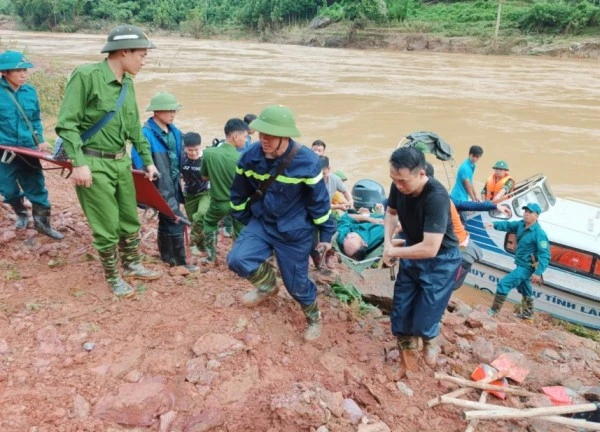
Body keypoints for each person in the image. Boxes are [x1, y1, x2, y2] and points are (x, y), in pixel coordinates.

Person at [55, 24, 161, 297]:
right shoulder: (86, 76)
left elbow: (134, 126)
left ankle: (133, 263)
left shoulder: (128, 83)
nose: (144, 61)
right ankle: (113, 276)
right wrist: (78, 163)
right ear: (124, 51)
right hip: (93, 162)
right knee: (106, 224)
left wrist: (147, 161)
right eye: (141, 54)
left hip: (120, 161)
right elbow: (67, 124)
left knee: (128, 217)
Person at [227, 104, 335, 342]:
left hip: (295, 231)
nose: (263, 139)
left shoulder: (307, 162)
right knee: (237, 259)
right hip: (263, 222)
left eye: (270, 135)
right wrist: (249, 220)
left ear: (285, 136)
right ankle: (267, 286)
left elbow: (319, 203)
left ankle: (314, 317)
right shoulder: (250, 156)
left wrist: (326, 238)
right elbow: (237, 194)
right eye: (261, 133)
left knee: (296, 285)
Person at [382, 147, 461, 374]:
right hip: (412, 251)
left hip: (441, 260)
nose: (398, 186)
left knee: (425, 316)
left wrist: (394, 253)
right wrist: (388, 243)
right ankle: (407, 358)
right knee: (401, 311)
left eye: (403, 181)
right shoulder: (399, 184)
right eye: (394, 180)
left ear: (422, 174)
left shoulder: (436, 197)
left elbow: (430, 248)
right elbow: (391, 213)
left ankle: (429, 338)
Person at [0, 50, 63, 240]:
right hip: (4, 150)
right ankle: (20, 212)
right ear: (4, 72)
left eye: (25, 71)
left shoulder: (30, 92)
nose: (23, 75)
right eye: (18, 71)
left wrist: (40, 140)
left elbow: (35, 120)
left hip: (28, 149)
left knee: (36, 185)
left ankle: (43, 225)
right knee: (7, 187)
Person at [131, 92, 197, 272]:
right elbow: (138, 158)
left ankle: (168, 258)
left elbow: (184, 154)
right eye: (169, 110)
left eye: (174, 110)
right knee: (176, 218)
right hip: (159, 184)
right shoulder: (146, 133)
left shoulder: (174, 131)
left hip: (174, 182)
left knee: (166, 219)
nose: (173, 114)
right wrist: (147, 184)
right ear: (156, 112)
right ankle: (181, 263)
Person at [486, 203, 550, 321]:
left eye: (530, 212)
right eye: (525, 211)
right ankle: (528, 313)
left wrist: (538, 272)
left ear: (537, 216)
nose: (526, 214)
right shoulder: (521, 224)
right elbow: (508, 225)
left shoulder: (539, 233)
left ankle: (494, 311)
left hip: (527, 267)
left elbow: (545, 256)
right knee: (525, 289)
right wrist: (494, 224)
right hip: (520, 263)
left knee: (504, 284)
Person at [200, 118, 248, 264]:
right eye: (245, 137)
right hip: (238, 203)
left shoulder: (208, 153)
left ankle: (210, 257)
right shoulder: (242, 158)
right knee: (240, 231)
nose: (246, 140)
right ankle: (238, 261)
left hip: (219, 202)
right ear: (235, 136)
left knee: (209, 223)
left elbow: (204, 177)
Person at [180, 132, 211, 256]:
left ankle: (192, 244)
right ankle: (201, 245)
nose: (193, 152)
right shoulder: (181, 157)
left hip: (205, 192)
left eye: (196, 149)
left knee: (202, 214)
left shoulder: (207, 158)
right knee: (194, 220)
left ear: (200, 146)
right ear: (185, 148)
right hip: (189, 194)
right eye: (190, 150)